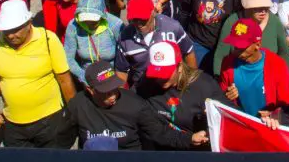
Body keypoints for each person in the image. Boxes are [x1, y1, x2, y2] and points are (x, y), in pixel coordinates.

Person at [0, 0, 76, 148]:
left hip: (49, 121)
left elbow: (64, 79)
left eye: (16, 30)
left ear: (29, 23)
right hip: (13, 123)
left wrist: (73, 114)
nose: (11, 35)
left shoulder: (48, 40)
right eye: (7, 31)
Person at [66, 60, 204, 150]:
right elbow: (63, 139)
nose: (113, 95)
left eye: (114, 88)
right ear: (90, 90)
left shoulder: (135, 104)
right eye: (106, 92)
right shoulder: (78, 105)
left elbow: (159, 132)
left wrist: (189, 138)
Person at [136, 40, 229, 138]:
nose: (160, 78)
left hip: (197, 148)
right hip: (161, 146)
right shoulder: (146, 83)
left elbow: (232, 116)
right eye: (156, 73)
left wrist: (216, 115)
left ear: (180, 67)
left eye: (165, 73)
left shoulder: (204, 85)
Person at [213, 0, 289, 76]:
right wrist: (218, 80)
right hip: (240, 76)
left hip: (269, 77)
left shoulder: (274, 21)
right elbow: (221, 55)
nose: (263, 11)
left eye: (266, 7)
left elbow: (284, 54)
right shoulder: (232, 21)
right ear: (246, 7)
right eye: (257, 8)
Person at [115, 0, 197, 88]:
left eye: (143, 19)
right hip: (142, 87)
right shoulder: (124, 37)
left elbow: (188, 52)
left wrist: (191, 84)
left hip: (170, 83)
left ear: (153, 12)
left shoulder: (172, 27)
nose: (139, 23)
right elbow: (121, 70)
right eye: (134, 19)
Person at [219, 18, 289, 116]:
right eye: (234, 44)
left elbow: (286, 102)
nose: (236, 49)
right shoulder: (228, 64)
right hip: (240, 123)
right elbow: (221, 98)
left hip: (268, 125)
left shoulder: (277, 64)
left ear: (257, 45)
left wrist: (273, 115)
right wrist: (227, 96)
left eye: (241, 46)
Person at [63, 0, 124, 85]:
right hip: (87, 77)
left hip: (111, 77)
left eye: (93, 20)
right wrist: (83, 77)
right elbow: (68, 58)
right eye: (85, 20)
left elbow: (123, 58)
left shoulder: (115, 24)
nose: (89, 23)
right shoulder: (73, 26)